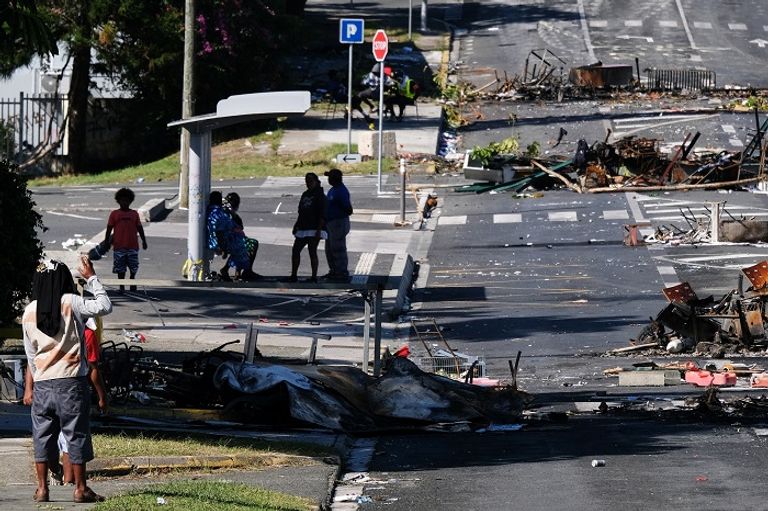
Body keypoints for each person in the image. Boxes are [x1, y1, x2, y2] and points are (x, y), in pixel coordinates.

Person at [22, 256, 112, 504]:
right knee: (76, 434)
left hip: (42, 383)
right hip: (72, 382)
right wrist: (91, 277)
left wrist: (38, 379)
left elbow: (30, 354)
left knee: (42, 436)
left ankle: (42, 489)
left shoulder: (29, 311)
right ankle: (80, 488)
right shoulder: (71, 302)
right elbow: (104, 306)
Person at [52, 317, 108, 487]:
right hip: (73, 387)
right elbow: (93, 368)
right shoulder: (87, 333)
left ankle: (56, 474)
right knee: (72, 435)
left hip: (47, 385)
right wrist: (102, 396)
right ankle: (71, 482)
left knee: (51, 436)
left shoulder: (51, 326)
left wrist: (30, 388)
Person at [103, 188, 147, 292]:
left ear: (130, 201)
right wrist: (106, 242)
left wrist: (144, 240)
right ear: (118, 201)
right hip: (119, 246)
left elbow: (139, 228)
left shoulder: (134, 214)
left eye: (127, 201)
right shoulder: (114, 214)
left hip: (132, 245)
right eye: (122, 200)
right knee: (120, 267)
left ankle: (132, 280)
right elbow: (109, 228)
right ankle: (121, 285)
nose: (125, 203)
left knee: (133, 266)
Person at [289, 172, 326, 283]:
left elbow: (322, 214)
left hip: (314, 228)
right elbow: (300, 212)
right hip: (303, 227)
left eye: (310, 181)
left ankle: (314, 276)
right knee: (295, 250)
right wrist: (296, 225)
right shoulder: (305, 194)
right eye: (306, 181)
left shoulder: (320, 196)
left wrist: (319, 229)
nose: (308, 183)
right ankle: (294, 275)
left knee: (312, 251)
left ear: (316, 181)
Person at [323, 168, 353, 280]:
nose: (329, 179)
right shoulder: (334, 189)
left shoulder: (341, 191)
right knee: (330, 249)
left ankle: (341, 272)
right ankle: (334, 270)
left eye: (330, 177)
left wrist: (337, 210)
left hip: (338, 222)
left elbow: (348, 209)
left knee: (338, 248)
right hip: (331, 223)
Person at [223, 192, 259, 280]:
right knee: (250, 244)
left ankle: (238, 271)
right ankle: (246, 271)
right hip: (229, 240)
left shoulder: (230, 213)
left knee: (242, 243)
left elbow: (240, 227)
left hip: (233, 239)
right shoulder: (228, 214)